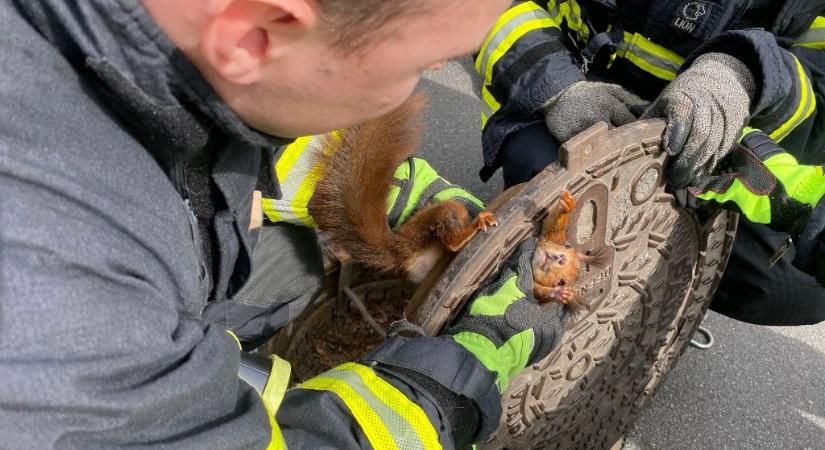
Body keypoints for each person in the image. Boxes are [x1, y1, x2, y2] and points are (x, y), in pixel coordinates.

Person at [0, 0, 572, 448]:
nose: (438, 70)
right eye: (421, 64)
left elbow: (297, 133)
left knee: (294, 268)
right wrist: (459, 374)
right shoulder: (61, 303)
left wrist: (406, 205)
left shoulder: (163, 43)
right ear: (257, 31)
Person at [475, 0, 825, 325]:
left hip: (704, 134)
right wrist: (557, 89)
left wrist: (744, 75)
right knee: (556, 202)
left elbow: (819, 90)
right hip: (579, 94)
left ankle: (645, 298)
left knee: (789, 288)